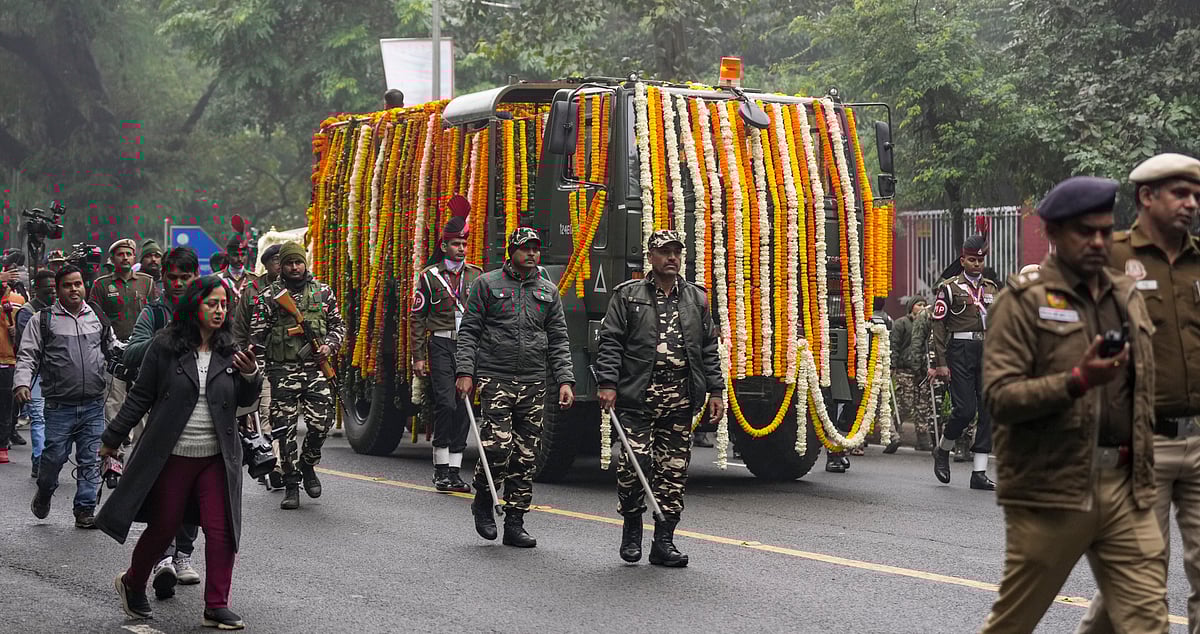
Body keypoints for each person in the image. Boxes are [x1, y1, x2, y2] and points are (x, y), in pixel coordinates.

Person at [980, 176, 1166, 632]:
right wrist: (1076, 381)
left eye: (1106, 230)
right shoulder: (1022, 303)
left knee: (1147, 622)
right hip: (1052, 489)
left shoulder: (1127, 297)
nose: (1100, 241)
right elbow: (1000, 398)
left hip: (1125, 487)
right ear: (1054, 233)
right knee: (1013, 622)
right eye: (1086, 231)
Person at [1076, 153, 1200, 633]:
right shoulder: (1108, 256)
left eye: (1195, 195)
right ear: (1147, 197)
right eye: (1179, 194)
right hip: (1140, 443)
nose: (1191, 204)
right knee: (1139, 581)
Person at [96, 275, 261, 630]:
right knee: (165, 525)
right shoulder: (165, 346)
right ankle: (132, 581)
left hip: (216, 457)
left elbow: (244, 404)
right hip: (171, 454)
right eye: (212, 303)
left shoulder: (230, 349)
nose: (219, 311)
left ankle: (216, 605)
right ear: (194, 305)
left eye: (223, 304)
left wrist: (252, 376)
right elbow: (140, 397)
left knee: (222, 530)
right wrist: (112, 438)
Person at [595, 229, 723, 567]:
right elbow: (610, 342)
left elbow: (709, 349)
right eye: (664, 252)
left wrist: (716, 391)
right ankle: (632, 528)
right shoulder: (628, 295)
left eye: (676, 252)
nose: (672, 258)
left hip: (680, 399)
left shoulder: (696, 298)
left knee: (673, 472)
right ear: (650, 257)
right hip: (638, 396)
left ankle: (664, 542)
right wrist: (607, 383)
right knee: (633, 465)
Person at [455, 227, 575, 547]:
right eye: (525, 248)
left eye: (536, 248)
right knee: (497, 447)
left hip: (535, 382)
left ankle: (515, 521)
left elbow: (559, 340)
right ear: (512, 251)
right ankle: (483, 499)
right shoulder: (487, 285)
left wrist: (564, 380)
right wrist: (465, 372)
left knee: (525, 455)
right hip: (496, 377)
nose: (532, 253)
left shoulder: (548, 291)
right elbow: (469, 332)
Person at [121, 246, 204, 599]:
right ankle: (163, 558)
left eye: (186, 278)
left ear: (195, 277)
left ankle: (183, 553)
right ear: (163, 279)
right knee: (164, 488)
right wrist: (166, 335)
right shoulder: (154, 313)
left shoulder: (210, 308)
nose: (179, 284)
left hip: (202, 415)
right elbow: (131, 351)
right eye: (173, 278)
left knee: (196, 490)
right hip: (162, 414)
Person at [15, 265, 116, 528]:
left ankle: (84, 509)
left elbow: (112, 347)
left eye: (78, 284)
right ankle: (45, 491)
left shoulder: (97, 316)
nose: (74, 289)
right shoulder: (43, 320)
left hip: (94, 403)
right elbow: (27, 355)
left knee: (91, 458)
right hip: (59, 406)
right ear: (58, 290)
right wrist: (22, 384)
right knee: (53, 458)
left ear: (84, 286)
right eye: (68, 285)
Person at [249, 242, 345, 510]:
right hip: (282, 372)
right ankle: (291, 484)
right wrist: (255, 377)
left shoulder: (323, 292)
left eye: (298, 262)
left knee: (321, 424)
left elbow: (339, 325)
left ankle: (309, 464)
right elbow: (257, 339)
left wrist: (329, 346)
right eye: (289, 263)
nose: (294, 267)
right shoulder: (270, 296)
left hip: (315, 370)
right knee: (285, 430)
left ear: (305, 263)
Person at [409, 200, 482, 493]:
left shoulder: (476, 276)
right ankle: (440, 470)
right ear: (444, 246)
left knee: (464, 407)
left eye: (464, 243)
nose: (461, 249)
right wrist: (418, 357)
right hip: (440, 345)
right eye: (455, 244)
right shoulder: (429, 276)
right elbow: (417, 318)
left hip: (468, 347)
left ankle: (455, 470)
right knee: (446, 404)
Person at [930, 234, 998, 490]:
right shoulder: (948, 288)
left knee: (988, 408)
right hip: (959, 349)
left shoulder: (991, 288)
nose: (977, 264)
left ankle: (979, 473)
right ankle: (943, 449)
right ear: (963, 260)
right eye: (972, 260)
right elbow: (937, 328)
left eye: (980, 260)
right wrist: (940, 362)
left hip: (987, 349)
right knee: (965, 410)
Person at [90, 239, 159, 431]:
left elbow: (156, 312)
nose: (125, 258)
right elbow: (93, 316)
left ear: (134, 257)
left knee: (143, 400)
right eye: (120, 254)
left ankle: (140, 448)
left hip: (142, 350)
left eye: (128, 254)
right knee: (113, 401)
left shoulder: (147, 282)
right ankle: (114, 454)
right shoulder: (101, 285)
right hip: (114, 354)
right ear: (112, 258)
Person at [233, 244, 282, 490]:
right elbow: (240, 328)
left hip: (288, 362)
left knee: (285, 417)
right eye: (275, 260)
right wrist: (241, 359)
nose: (280, 264)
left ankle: (283, 462)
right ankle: (274, 466)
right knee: (267, 413)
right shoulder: (252, 290)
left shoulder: (297, 287)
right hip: (259, 361)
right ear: (266, 263)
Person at [14, 269, 56, 476]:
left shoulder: (60, 310)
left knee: (56, 418)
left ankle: (50, 459)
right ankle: (39, 460)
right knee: (38, 418)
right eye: (49, 289)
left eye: (56, 288)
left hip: (58, 373)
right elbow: (29, 346)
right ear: (37, 289)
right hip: (37, 372)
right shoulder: (26, 312)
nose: (54, 293)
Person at [890, 296, 936, 452]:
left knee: (922, 406)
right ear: (911, 307)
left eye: (924, 304)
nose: (922, 307)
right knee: (904, 404)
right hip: (905, 370)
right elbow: (895, 346)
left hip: (922, 371)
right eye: (918, 304)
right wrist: (893, 365)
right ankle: (892, 435)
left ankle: (923, 439)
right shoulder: (901, 323)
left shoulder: (928, 322)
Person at [0, 278, 26, 464]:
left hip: (7, 359)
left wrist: (17, 331)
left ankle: (3, 443)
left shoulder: (18, 300)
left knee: (5, 405)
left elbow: (27, 328)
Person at [217, 236, 258, 304]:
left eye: (243, 255)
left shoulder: (255, 279)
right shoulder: (217, 279)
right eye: (235, 255)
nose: (240, 259)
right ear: (227, 257)